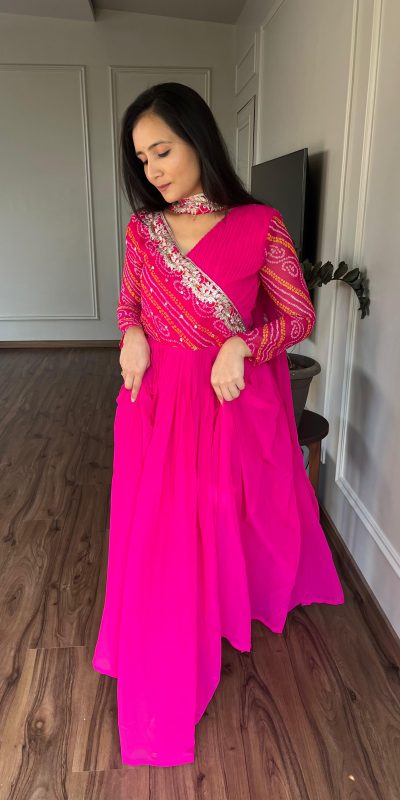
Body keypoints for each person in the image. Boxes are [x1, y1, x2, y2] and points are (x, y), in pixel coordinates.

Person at [92, 82, 345, 768]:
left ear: (198, 140)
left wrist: (243, 344)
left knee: (215, 515)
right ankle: (171, 638)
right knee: (161, 529)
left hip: (223, 400)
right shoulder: (143, 231)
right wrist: (131, 333)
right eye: (142, 159)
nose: (152, 170)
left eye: (162, 150)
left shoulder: (259, 223)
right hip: (155, 400)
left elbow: (297, 315)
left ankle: (221, 610)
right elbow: (129, 305)